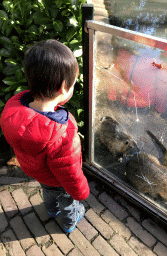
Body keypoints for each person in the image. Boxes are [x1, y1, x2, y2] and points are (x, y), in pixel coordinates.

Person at [1, 39, 90, 233]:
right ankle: (69, 222)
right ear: (63, 88)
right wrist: (81, 192)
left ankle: (51, 210)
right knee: (68, 200)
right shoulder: (64, 131)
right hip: (58, 179)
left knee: (48, 192)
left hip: (38, 172)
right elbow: (69, 171)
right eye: (73, 83)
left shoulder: (13, 112)